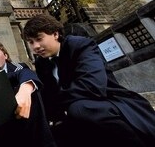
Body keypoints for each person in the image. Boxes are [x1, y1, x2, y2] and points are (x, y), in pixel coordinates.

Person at [23, 13, 155, 147]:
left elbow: (92, 86)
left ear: (55, 34)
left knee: (79, 109)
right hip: (72, 112)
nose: (35, 47)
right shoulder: (41, 62)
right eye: (31, 42)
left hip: (108, 103)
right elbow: (48, 95)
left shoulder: (80, 45)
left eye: (39, 39)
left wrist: (60, 104)